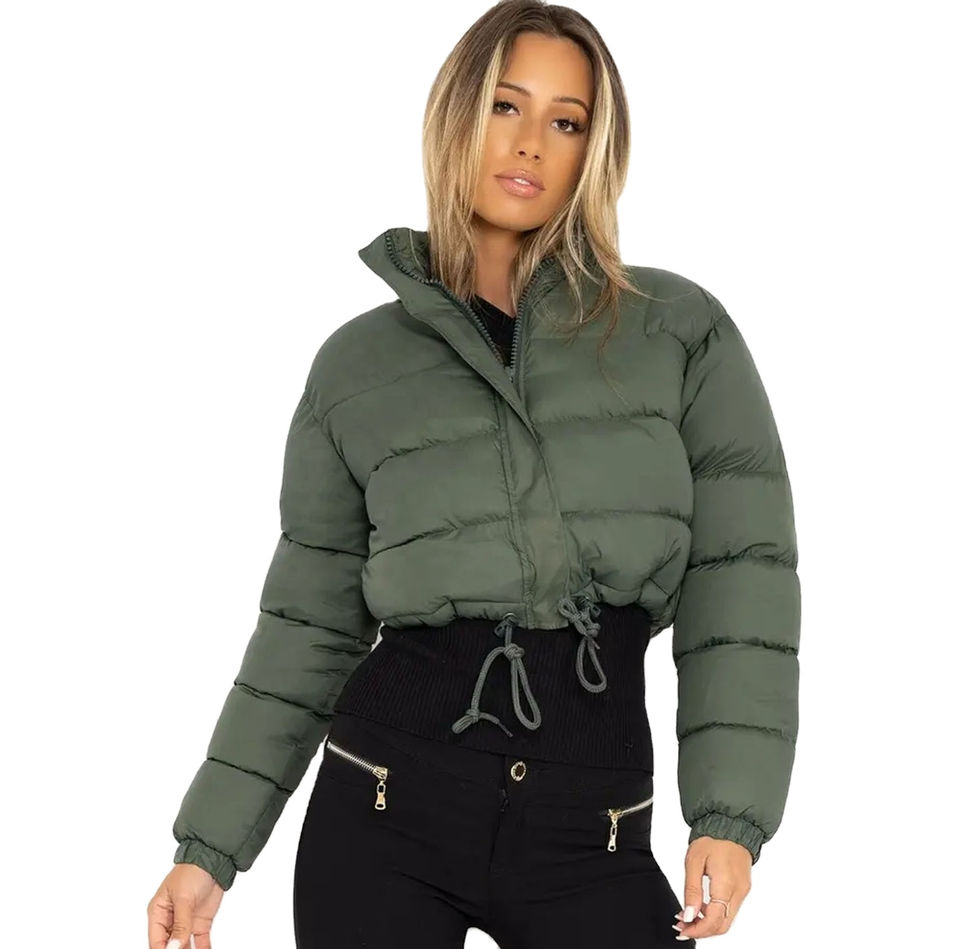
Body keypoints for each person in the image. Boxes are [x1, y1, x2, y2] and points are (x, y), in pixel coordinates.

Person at [146, 2, 801, 947]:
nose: (531, 142)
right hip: (381, 811)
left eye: (566, 121)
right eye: (505, 105)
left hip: (596, 829)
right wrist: (210, 847)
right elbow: (308, 624)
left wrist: (730, 815)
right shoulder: (357, 367)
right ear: (458, 115)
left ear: (595, 149)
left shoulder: (677, 332)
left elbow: (744, 585)